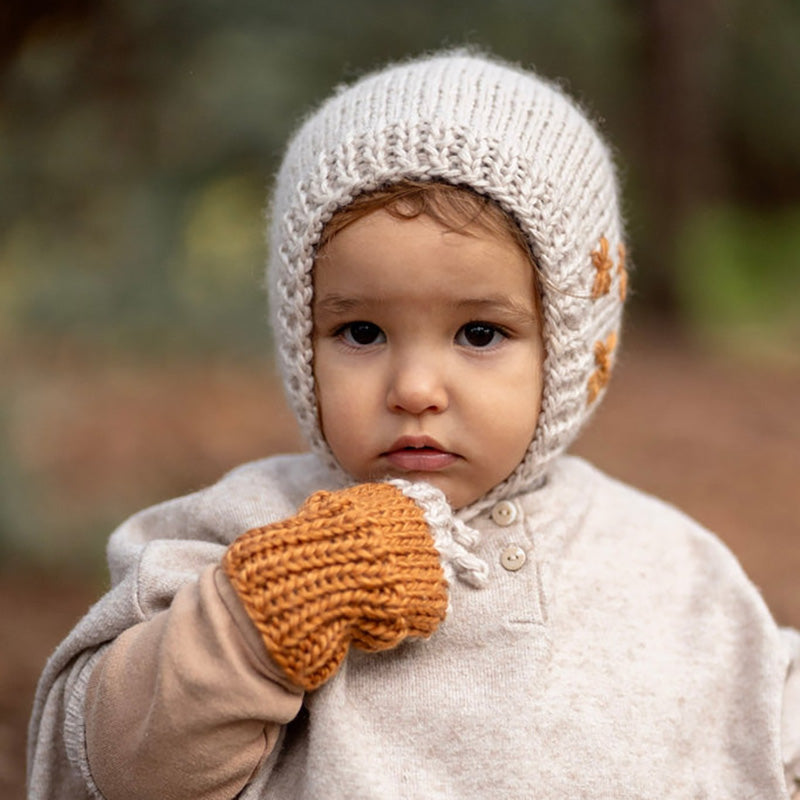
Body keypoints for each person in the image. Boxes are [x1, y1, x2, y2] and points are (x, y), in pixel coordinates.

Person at [27, 50, 800, 800]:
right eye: (361, 333)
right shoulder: (242, 531)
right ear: (302, 338)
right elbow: (113, 765)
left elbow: (769, 715)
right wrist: (259, 615)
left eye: (479, 334)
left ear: (570, 345)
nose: (415, 388)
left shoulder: (666, 566)